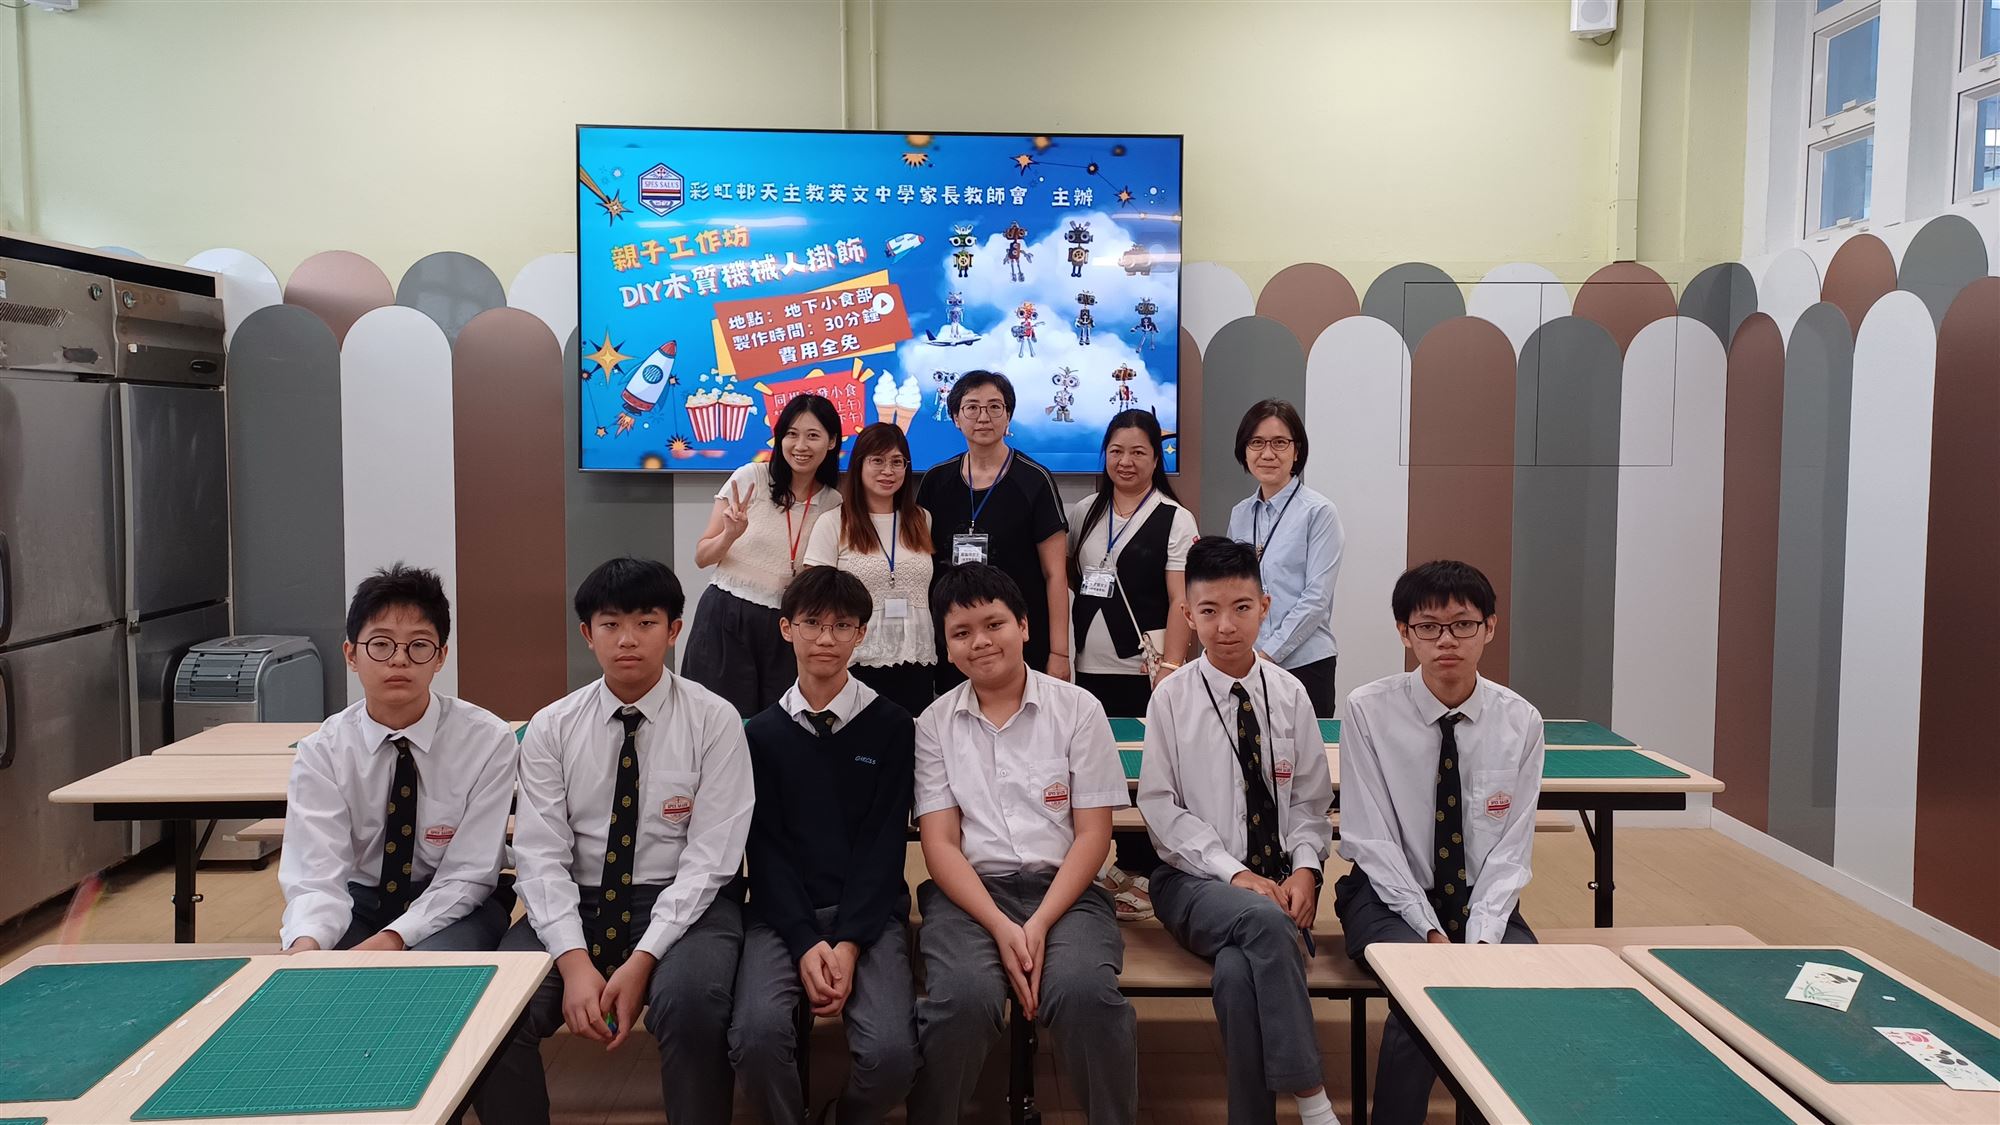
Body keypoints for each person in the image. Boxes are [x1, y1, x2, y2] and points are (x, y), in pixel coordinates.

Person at [478, 558, 752, 1125]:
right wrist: (574, 962)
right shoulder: (552, 726)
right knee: (496, 1012)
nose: (628, 639)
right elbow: (539, 856)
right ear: (588, 633)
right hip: (575, 899)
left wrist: (643, 958)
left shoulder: (714, 720)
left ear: (674, 631)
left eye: (646, 623)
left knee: (692, 1005)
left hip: (684, 901)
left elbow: (710, 860)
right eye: (611, 624)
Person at [908, 563, 1137, 1124]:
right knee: (961, 1002)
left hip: (1067, 892)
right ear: (946, 646)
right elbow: (940, 847)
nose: (980, 642)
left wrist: (1037, 924)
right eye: (961, 633)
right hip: (970, 897)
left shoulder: (1078, 709)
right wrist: (1001, 925)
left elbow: (1094, 836)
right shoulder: (933, 724)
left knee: (1084, 994)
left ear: (1025, 626)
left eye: (994, 625)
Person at [1137, 538, 1341, 1125]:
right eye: (1209, 611)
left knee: (1236, 973)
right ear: (1188, 615)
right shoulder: (1171, 699)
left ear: (1265, 606)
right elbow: (1160, 809)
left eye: (1241, 608)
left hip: (1280, 885)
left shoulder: (1291, 693)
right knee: (1263, 921)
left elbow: (1310, 801)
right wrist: (1236, 875)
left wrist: (1306, 869)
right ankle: (1314, 1102)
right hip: (1192, 882)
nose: (1225, 626)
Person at [1334, 560, 1544, 1125]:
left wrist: (1480, 941)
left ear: (1490, 627)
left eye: (1463, 624)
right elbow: (1370, 839)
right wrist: (1429, 931)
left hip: (1482, 897)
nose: (1446, 640)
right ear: (1405, 633)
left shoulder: (1520, 721)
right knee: (1421, 993)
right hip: (1385, 895)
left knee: (1510, 991)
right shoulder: (1367, 710)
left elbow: (1511, 852)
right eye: (1428, 626)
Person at [729, 566, 919, 1124]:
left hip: (870, 917)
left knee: (892, 1056)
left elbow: (885, 845)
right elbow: (765, 849)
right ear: (786, 628)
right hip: (781, 916)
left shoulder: (892, 726)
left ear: (861, 634)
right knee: (756, 1037)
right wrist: (804, 939)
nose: (825, 639)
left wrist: (849, 944)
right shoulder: (760, 734)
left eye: (842, 626)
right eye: (812, 623)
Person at [279, 564, 515, 954]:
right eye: (381, 644)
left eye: (418, 645)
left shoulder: (487, 741)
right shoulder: (323, 751)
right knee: (318, 970)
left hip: (455, 901)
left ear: (440, 657)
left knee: (430, 973)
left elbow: (469, 872)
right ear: (351, 655)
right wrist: (305, 946)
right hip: (358, 902)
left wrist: (392, 940)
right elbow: (317, 878)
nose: (399, 660)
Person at [1066, 408, 1197, 922]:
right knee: (1095, 768)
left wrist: (1172, 665)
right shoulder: (1085, 511)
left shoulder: (1174, 517)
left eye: (1139, 451)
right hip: (1088, 665)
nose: (1126, 461)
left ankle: (1147, 869)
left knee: (1148, 769)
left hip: (1145, 667)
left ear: (1156, 458)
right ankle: (1110, 864)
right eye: (1117, 451)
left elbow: (1180, 599)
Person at [686, 393, 843, 717]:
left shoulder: (833, 501)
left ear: (831, 442)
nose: (800, 446)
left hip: (787, 625)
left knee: (780, 724)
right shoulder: (750, 478)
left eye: (813, 436)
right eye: (791, 434)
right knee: (718, 721)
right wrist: (730, 534)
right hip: (728, 614)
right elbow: (702, 557)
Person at [916, 371, 1069, 688]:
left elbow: (1055, 574)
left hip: (1019, 637)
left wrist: (1060, 652)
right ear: (956, 417)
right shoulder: (935, 481)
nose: (983, 417)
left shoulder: (1035, 480)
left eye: (995, 407)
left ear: (1008, 415)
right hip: (956, 638)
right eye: (972, 407)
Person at [804, 421, 937, 717]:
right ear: (859, 465)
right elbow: (814, 597)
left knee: (910, 739)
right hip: (855, 660)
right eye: (877, 460)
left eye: (897, 462)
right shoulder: (833, 522)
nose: (888, 471)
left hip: (916, 659)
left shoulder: (921, 520)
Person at [1225, 399, 1345, 717]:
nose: (1267, 454)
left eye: (1279, 443)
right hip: (1248, 662)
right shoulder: (1240, 514)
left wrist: (1267, 655)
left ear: (1296, 450)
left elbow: (1316, 600)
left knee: (1304, 750)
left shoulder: (1319, 512)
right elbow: (1231, 589)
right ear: (1244, 450)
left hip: (1305, 664)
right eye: (1257, 443)